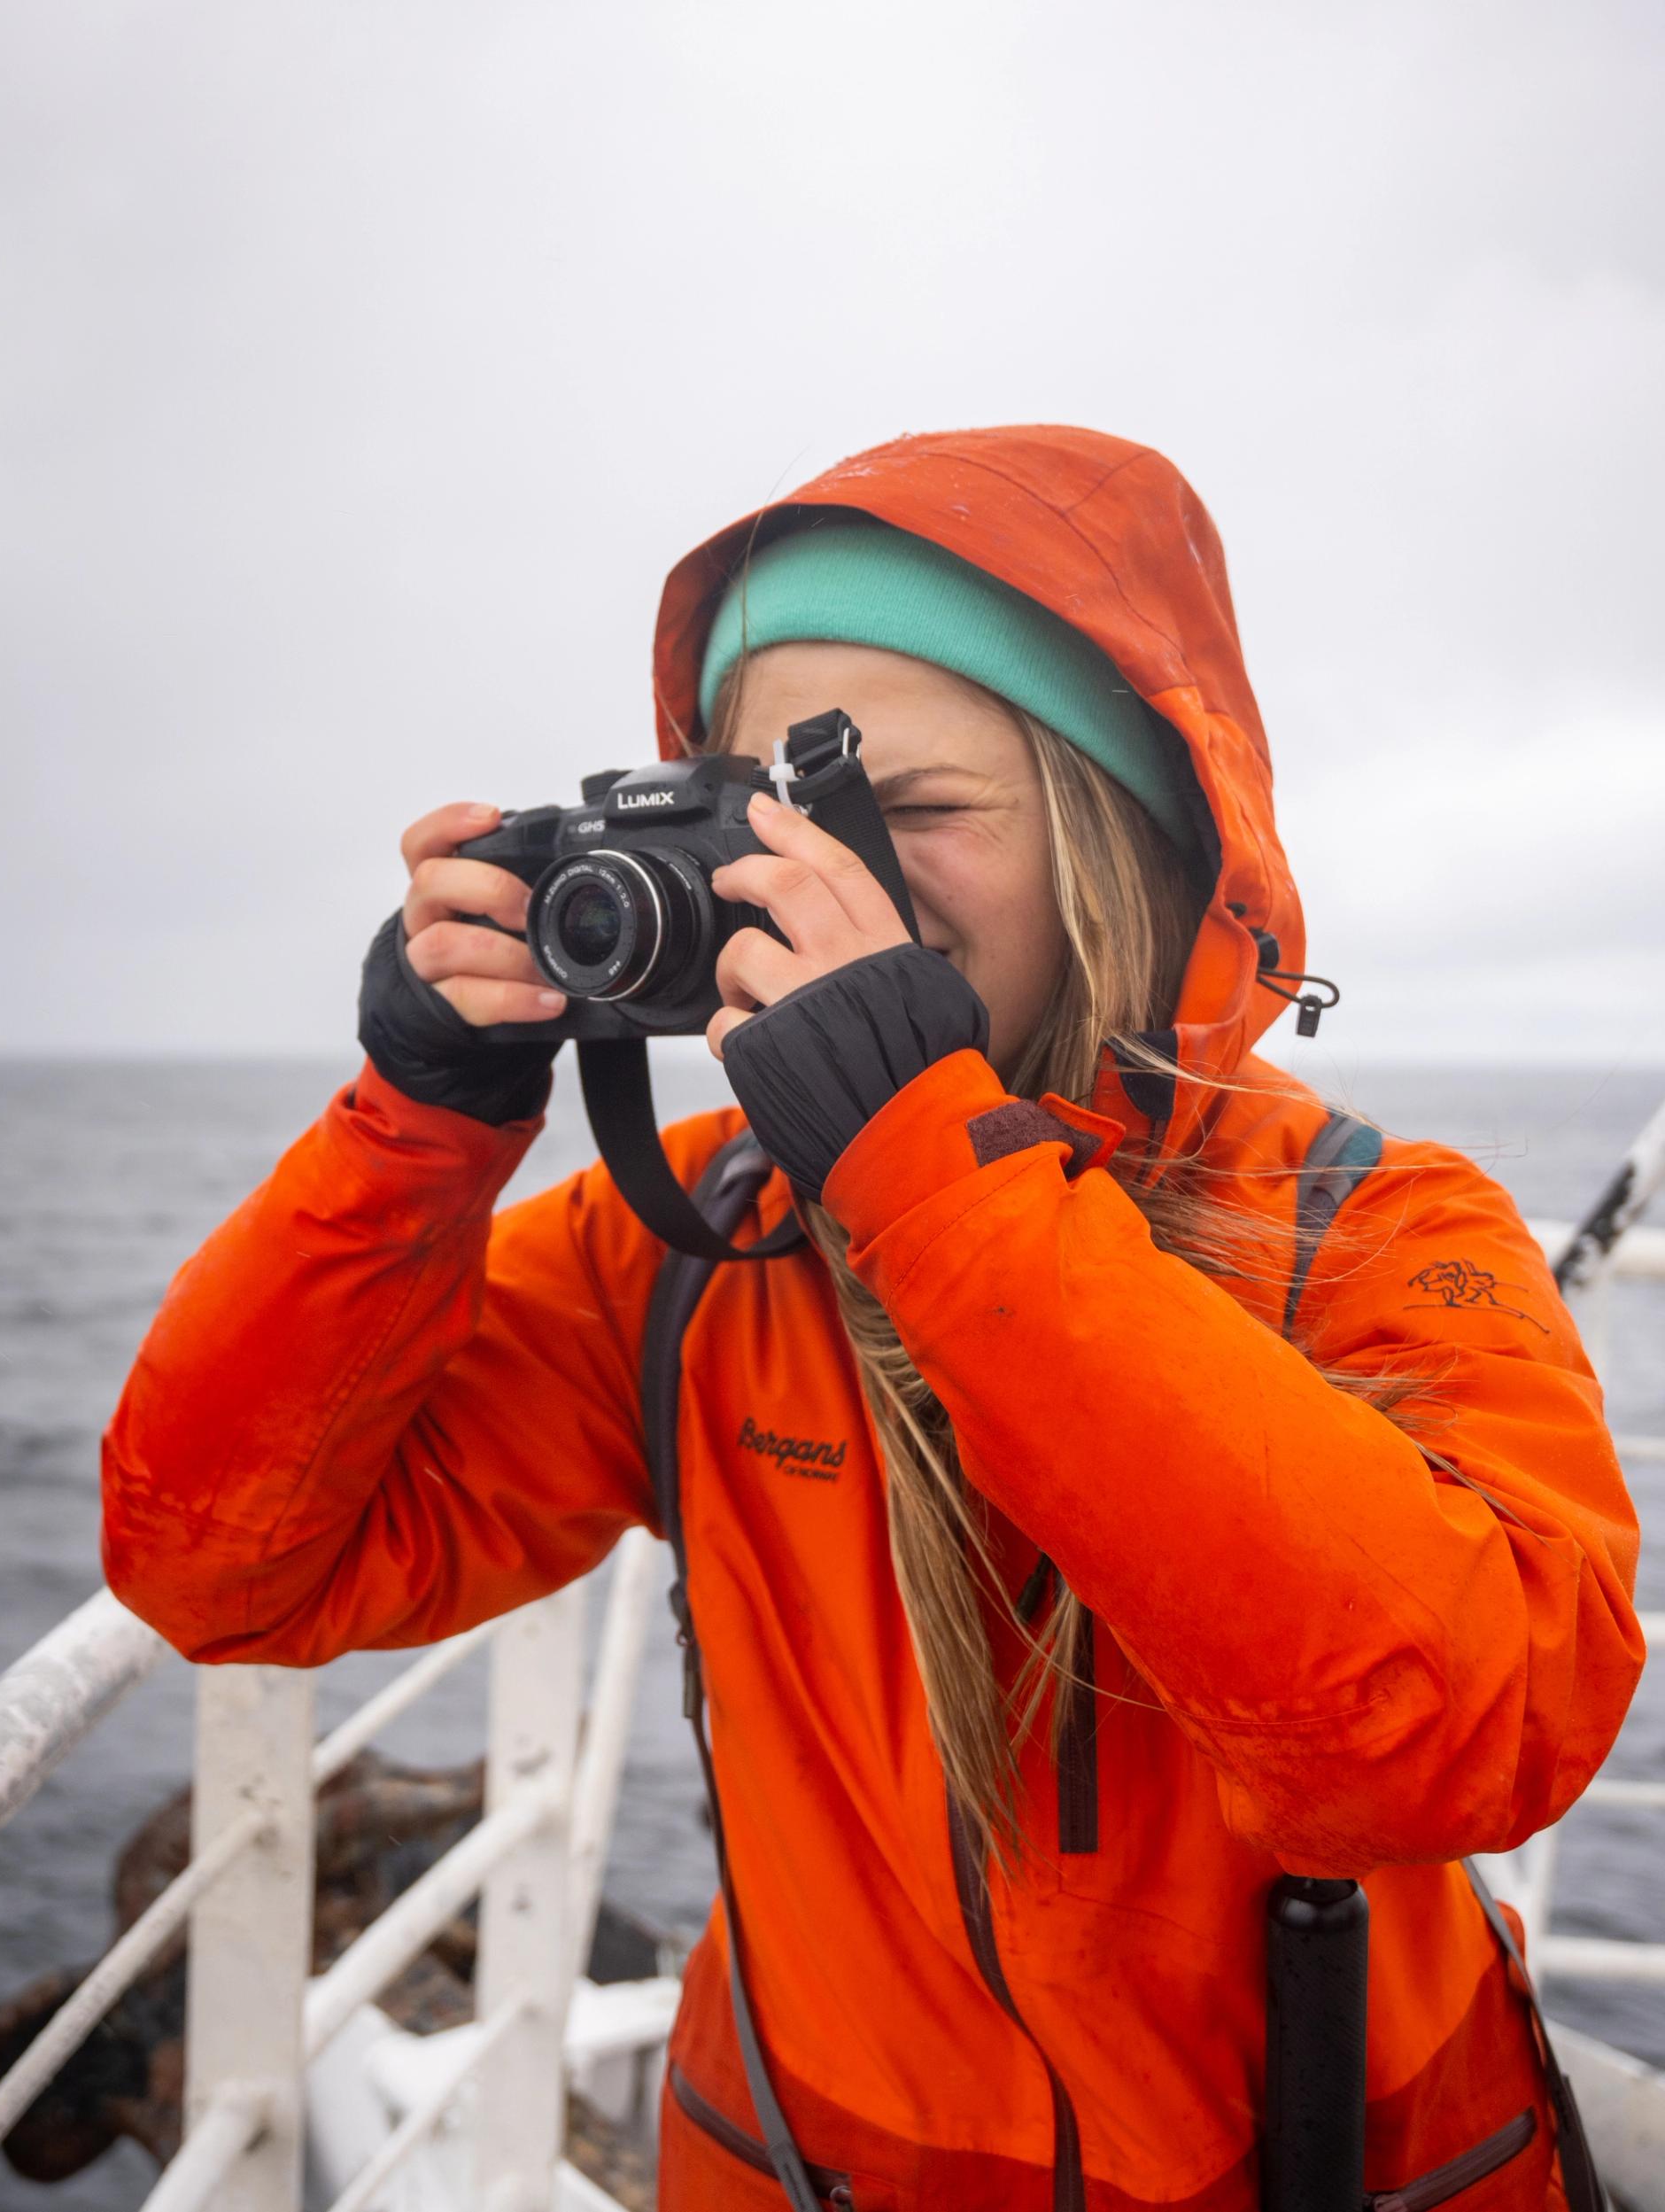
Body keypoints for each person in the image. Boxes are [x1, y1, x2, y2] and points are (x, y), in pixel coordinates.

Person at [97, 425, 1643, 2208]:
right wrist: (420, 1117)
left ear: (1120, 850)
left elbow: (1478, 1729)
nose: (817, 882)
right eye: (767, 818)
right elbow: (224, 1565)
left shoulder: (1366, 1229)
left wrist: (938, 1183)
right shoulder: (689, 1248)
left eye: (903, 814)